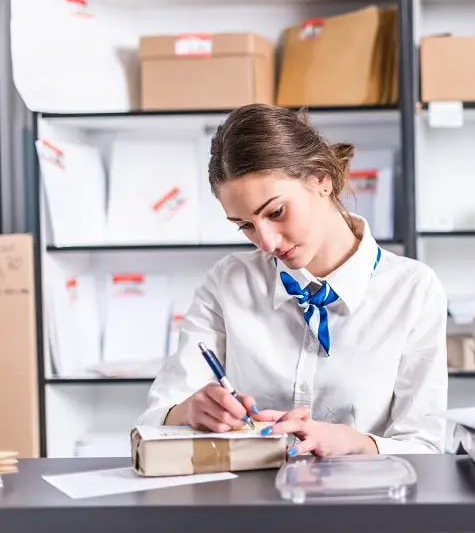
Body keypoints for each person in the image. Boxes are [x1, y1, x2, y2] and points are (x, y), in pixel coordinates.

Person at [137, 103, 449, 457]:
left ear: (322, 180)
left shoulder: (413, 290)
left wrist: (358, 444)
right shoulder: (228, 282)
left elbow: (426, 447)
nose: (266, 242)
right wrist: (189, 411)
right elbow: (153, 418)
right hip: (248, 501)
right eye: (246, 226)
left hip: (364, 502)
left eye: (276, 212)